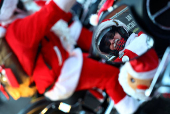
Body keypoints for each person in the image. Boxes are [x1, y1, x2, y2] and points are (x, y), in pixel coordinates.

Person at [1, 0, 144, 113]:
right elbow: (52, 12)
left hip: (54, 73)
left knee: (101, 55)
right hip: (62, 73)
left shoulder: (9, 34)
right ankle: (137, 110)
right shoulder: (17, 33)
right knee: (111, 77)